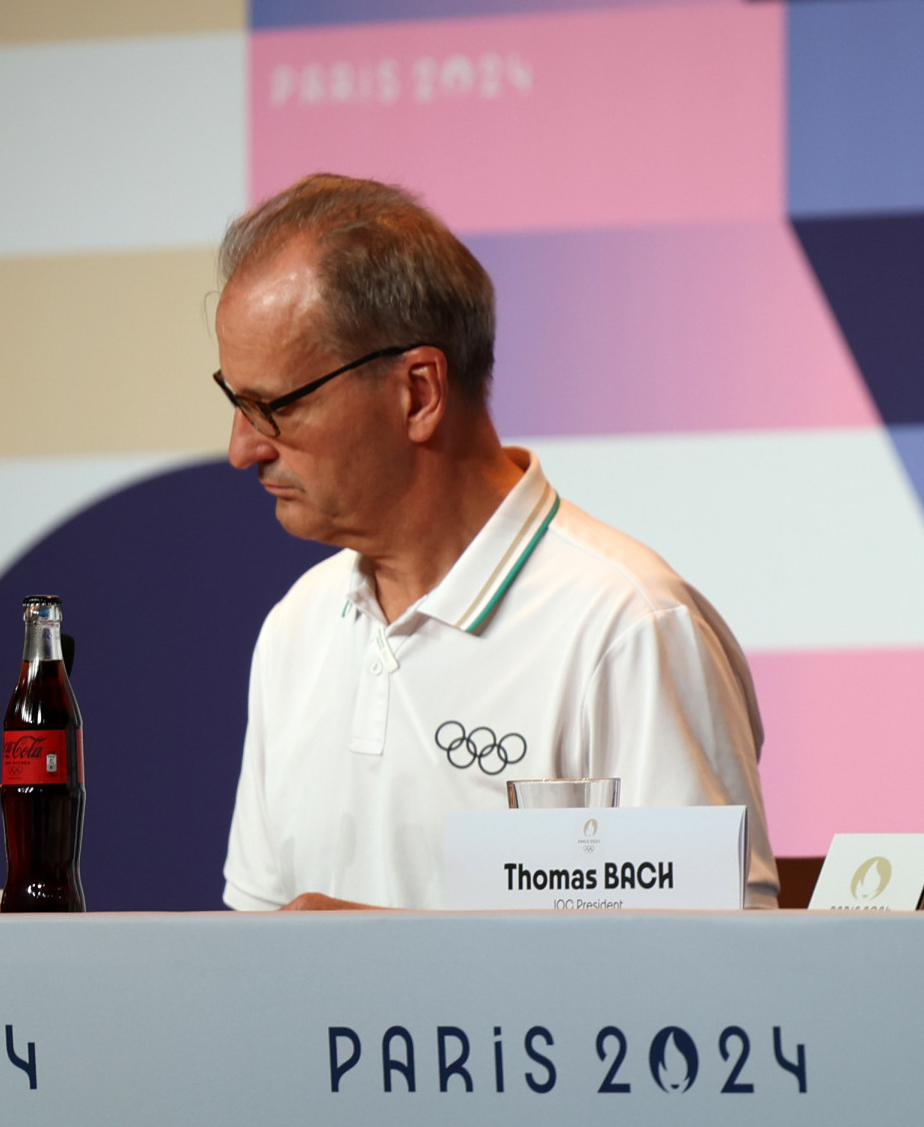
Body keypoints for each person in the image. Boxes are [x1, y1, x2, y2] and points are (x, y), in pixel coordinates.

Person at [210, 174, 778, 911]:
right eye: (235, 400)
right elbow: (258, 955)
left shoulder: (627, 626)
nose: (241, 448)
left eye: (272, 406)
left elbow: (717, 971)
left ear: (418, 391)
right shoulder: (297, 627)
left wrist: (387, 960)